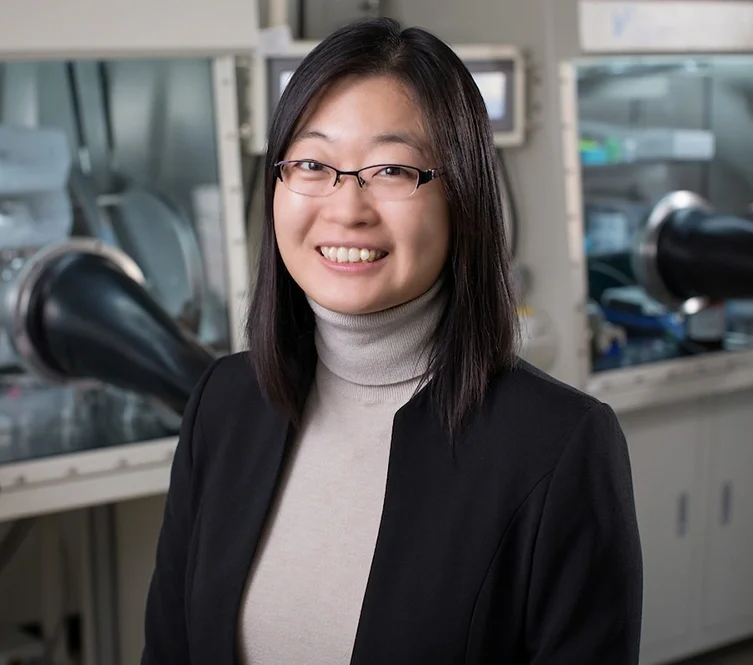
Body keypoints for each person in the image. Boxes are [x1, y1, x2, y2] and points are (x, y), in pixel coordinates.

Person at [141, 17, 642, 665]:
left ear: (461, 195)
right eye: (313, 163)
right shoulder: (225, 403)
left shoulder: (560, 446)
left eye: (392, 170)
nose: (348, 207)